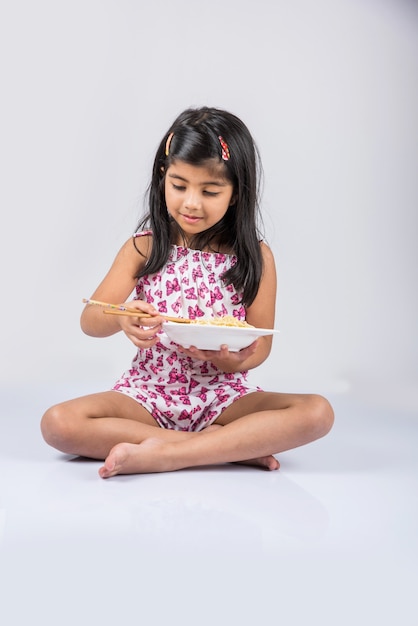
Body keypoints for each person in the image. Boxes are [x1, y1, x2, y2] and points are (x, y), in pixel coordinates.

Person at [41, 106, 334, 478]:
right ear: (163, 177)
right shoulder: (144, 248)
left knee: (317, 411)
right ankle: (228, 447)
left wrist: (233, 361)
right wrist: (124, 318)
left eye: (210, 190)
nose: (191, 203)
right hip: (147, 393)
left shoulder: (256, 257)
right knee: (59, 423)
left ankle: (166, 454)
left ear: (236, 193)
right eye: (179, 186)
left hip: (224, 395)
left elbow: (260, 347)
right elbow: (90, 321)